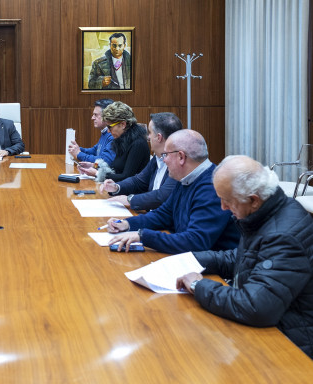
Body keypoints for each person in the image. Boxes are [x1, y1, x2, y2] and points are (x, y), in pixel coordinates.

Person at [176, 156, 313, 358]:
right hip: (268, 326)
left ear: (253, 200)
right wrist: (192, 259)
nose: (222, 207)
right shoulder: (266, 214)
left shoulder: (284, 236)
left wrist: (198, 286)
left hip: (288, 343)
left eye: (227, 201)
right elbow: (243, 258)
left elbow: (256, 307)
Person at [107, 129, 239, 254]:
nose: (164, 160)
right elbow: (163, 214)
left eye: (166, 155)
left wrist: (143, 236)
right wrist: (127, 224)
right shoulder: (186, 178)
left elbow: (196, 241)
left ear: (181, 157)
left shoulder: (211, 187)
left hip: (214, 272)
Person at [100, 112, 183, 211]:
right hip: (153, 217)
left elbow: (162, 196)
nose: (148, 137)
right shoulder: (158, 157)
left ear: (159, 137)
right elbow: (138, 181)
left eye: (150, 133)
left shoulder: (178, 162)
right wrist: (116, 187)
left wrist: (130, 199)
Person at [77, 101, 149, 182]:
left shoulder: (138, 144)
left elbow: (126, 177)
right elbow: (115, 168)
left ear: (123, 124)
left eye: (109, 127)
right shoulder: (121, 140)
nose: (108, 131)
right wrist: (94, 165)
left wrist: (97, 173)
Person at [67, 98, 116, 165]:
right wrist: (78, 149)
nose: (92, 118)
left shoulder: (113, 135)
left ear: (107, 116)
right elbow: (94, 150)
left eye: (95, 115)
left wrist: (79, 154)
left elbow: (105, 161)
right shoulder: (104, 132)